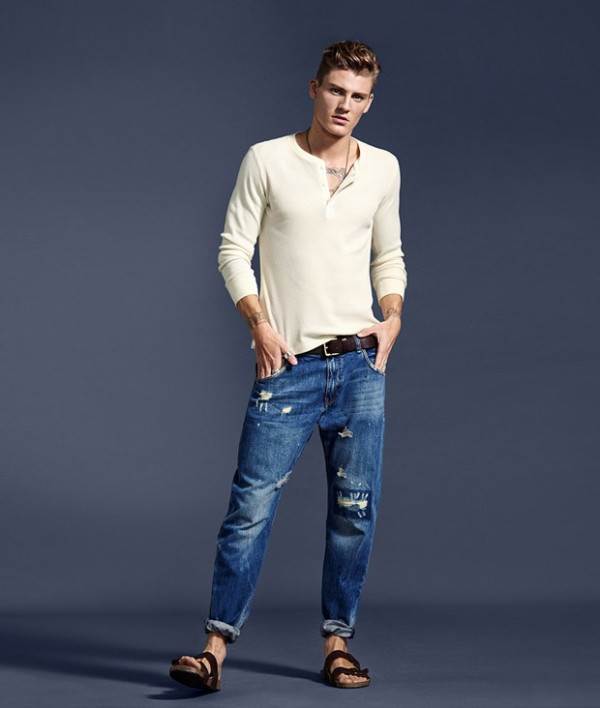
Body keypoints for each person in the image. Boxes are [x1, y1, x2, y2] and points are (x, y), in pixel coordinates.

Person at [169, 39, 407, 691]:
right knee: (250, 507)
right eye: (336, 91)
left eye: (358, 96)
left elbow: (388, 255)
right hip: (289, 365)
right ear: (314, 88)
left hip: (359, 368)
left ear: (369, 102)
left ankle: (338, 644)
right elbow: (232, 249)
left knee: (354, 510)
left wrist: (392, 317)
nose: (345, 105)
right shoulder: (268, 159)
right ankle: (213, 650)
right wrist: (259, 323)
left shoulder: (383, 168)